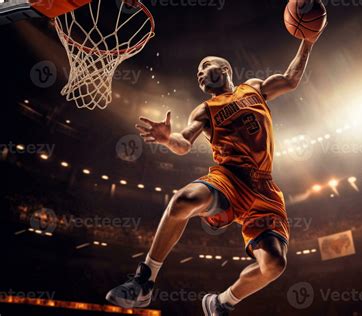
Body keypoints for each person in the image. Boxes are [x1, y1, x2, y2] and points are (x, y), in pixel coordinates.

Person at [106, 26, 326, 315]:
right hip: (230, 178)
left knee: (275, 264)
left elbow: (290, 79)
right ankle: (144, 280)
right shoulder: (204, 110)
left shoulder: (254, 87)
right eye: (197, 73)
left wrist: (308, 41)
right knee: (183, 200)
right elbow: (184, 142)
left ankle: (222, 303)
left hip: (265, 189)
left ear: (225, 69)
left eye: (204, 66)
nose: (199, 74)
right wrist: (166, 138)